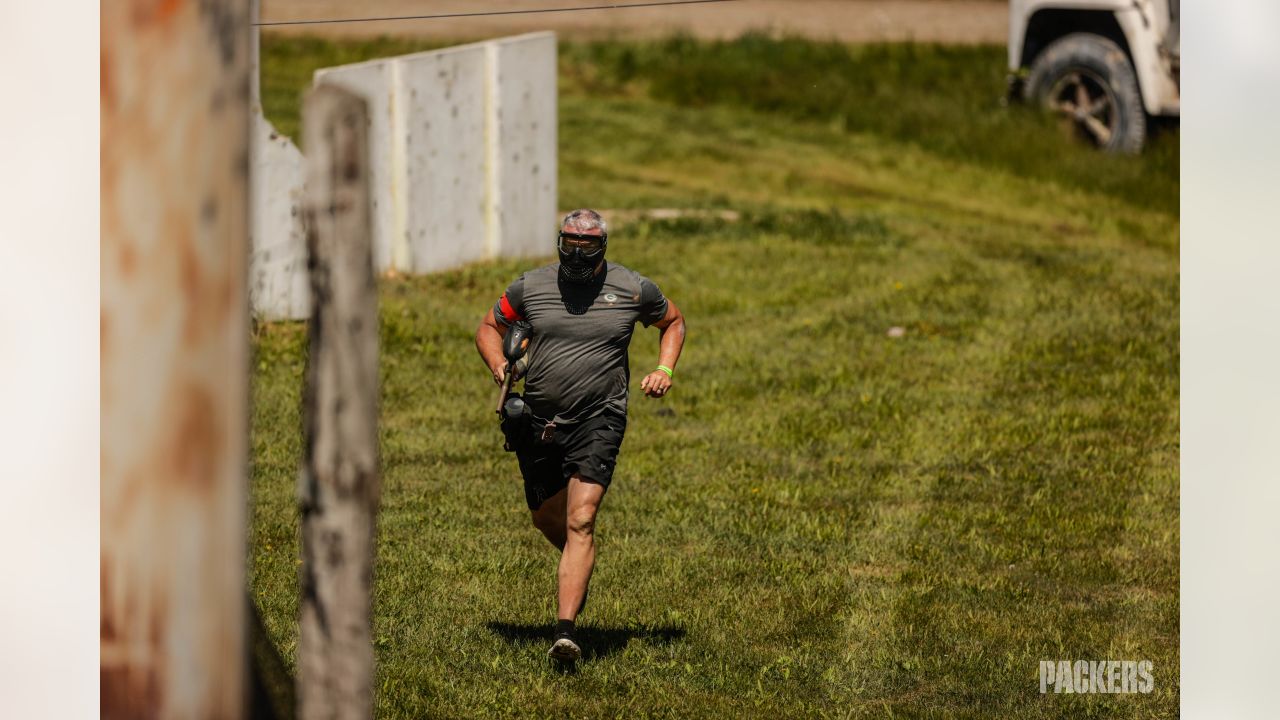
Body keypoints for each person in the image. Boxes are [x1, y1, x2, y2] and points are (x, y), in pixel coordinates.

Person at [474, 209, 686, 661]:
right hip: (538, 419)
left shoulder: (632, 288)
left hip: (600, 416)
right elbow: (490, 327)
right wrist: (499, 364)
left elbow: (673, 321)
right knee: (547, 518)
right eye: (569, 242)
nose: (576, 252)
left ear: (602, 247)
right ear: (559, 242)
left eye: (586, 246)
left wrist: (664, 368)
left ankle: (565, 633)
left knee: (581, 518)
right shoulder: (530, 286)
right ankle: (579, 559)